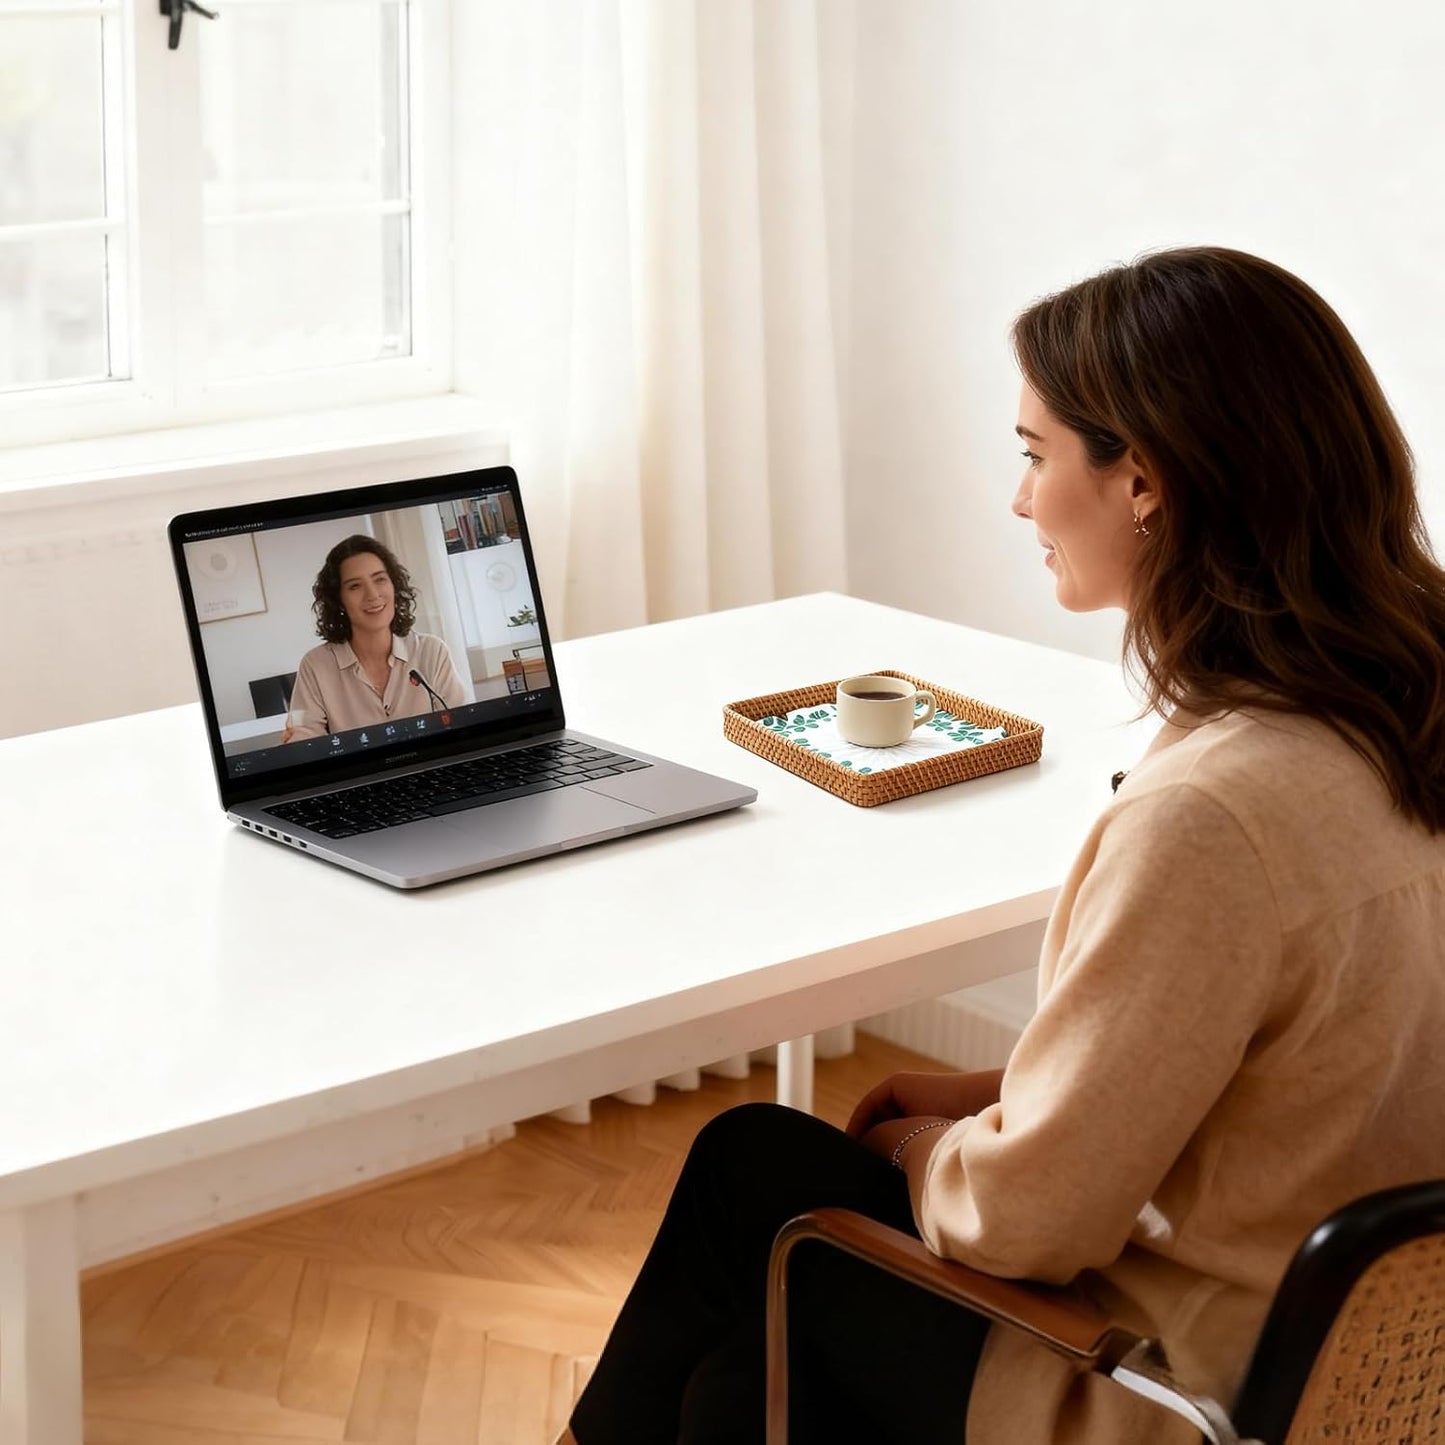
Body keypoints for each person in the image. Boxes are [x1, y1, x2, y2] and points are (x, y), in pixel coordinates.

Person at [560, 246, 1445, 1445]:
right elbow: (1281, 1067)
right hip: (1373, 1372)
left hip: (1172, 1383)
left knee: (752, 1200)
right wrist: (996, 1090)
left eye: (1034, 457)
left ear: (1143, 480)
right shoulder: (1399, 714)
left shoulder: (1215, 814)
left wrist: (929, 1142)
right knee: (736, 1335)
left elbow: (1029, 1223)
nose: (1018, 500)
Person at [283, 535, 470, 741]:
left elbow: (462, 725)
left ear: (393, 585)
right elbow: (303, 740)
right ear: (339, 600)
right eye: (355, 586)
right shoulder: (315, 666)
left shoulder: (432, 652)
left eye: (380, 579)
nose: (372, 595)